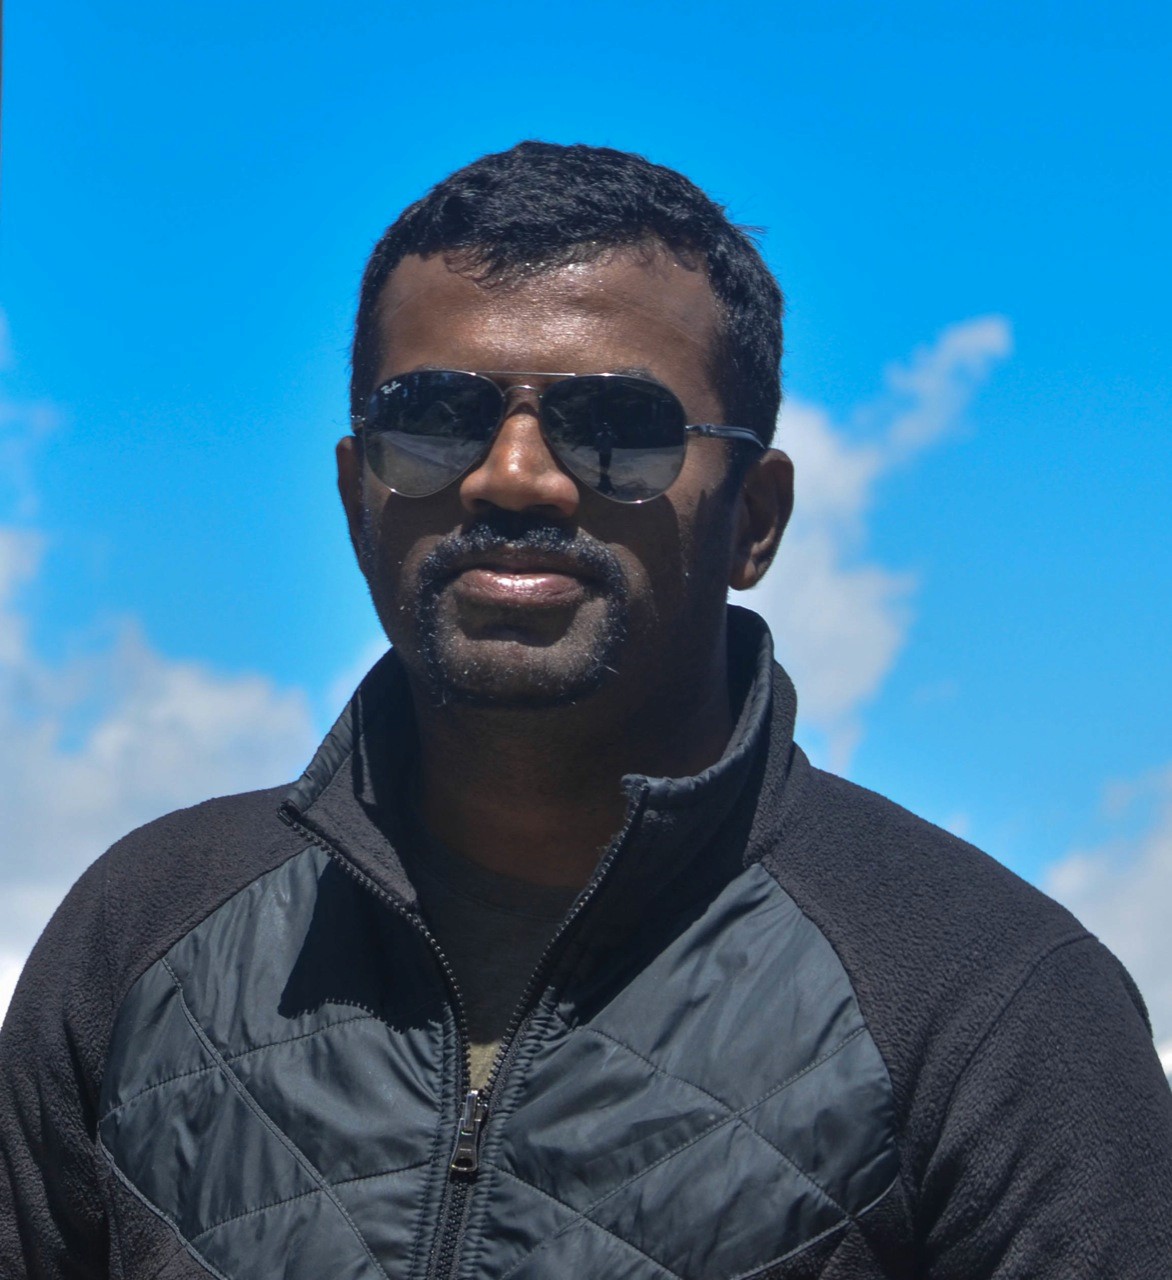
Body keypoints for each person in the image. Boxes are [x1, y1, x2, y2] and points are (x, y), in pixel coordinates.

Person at [1, 141, 1169, 1279]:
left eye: (616, 428)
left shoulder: (990, 1001)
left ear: (755, 519)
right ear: (357, 495)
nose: (512, 475)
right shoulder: (140, 932)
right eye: (435, 417)